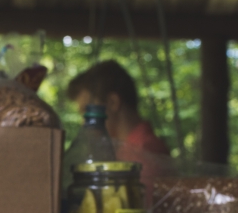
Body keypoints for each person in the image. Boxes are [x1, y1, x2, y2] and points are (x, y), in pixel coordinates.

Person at [66, 60, 171, 194]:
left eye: (88, 111)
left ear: (112, 102)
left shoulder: (144, 153)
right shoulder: (124, 150)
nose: (84, 122)